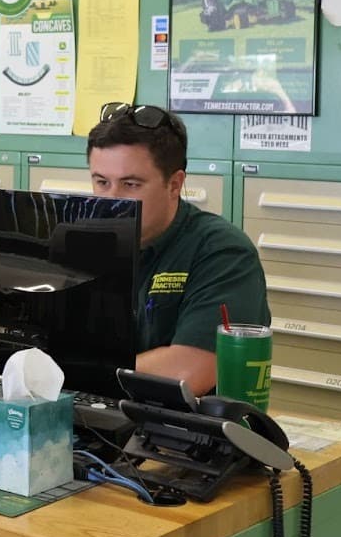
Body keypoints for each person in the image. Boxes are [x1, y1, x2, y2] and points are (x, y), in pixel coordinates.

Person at [86, 102, 270, 394]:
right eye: (101, 182)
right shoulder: (81, 242)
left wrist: (74, 370)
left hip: (181, 429)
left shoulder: (222, 251)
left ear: (174, 184)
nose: (112, 200)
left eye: (130, 184)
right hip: (92, 416)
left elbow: (190, 370)